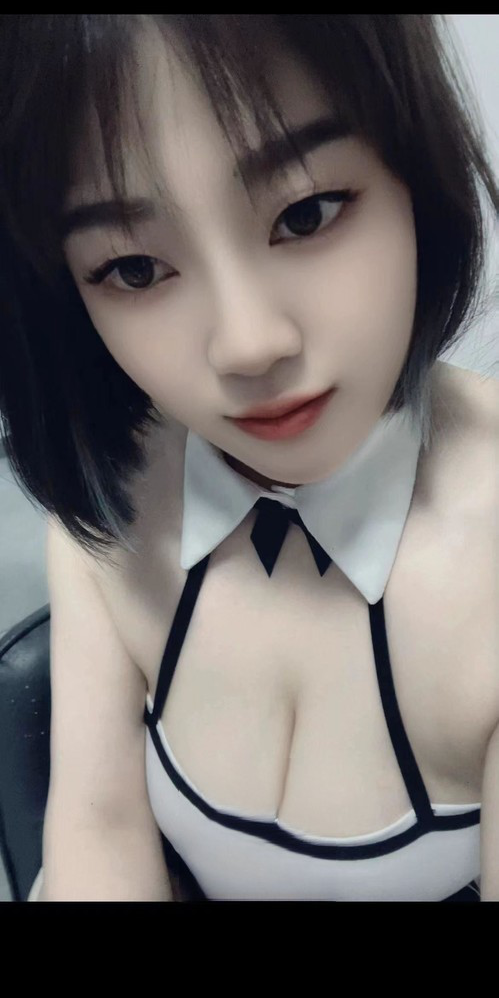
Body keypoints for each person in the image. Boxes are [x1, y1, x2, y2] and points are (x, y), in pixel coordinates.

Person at [1, 15, 497, 902]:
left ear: (413, 170)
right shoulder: (119, 486)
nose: (247, 344)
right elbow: (97, 826)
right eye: (134, 269)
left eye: (306, 213)